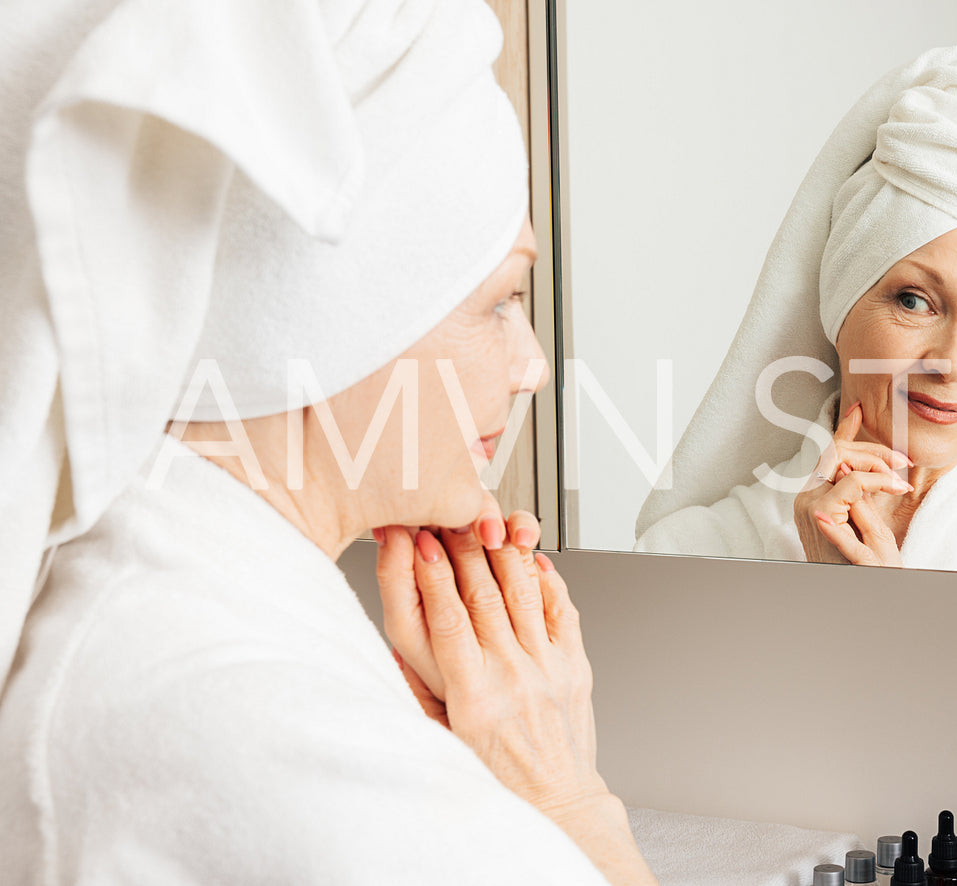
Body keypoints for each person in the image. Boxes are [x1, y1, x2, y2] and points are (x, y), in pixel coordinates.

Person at [0, 2, 654, 883]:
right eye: (499, 300)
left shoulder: (166, 593)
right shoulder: (264, 729)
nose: (532, 365)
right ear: (325, 326)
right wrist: (565, 796)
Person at [634, 44, 957, 582]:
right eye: (914, 301)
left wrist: (877, 612)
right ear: (839, 305)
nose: (954, 364)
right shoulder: (688, 555)